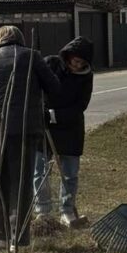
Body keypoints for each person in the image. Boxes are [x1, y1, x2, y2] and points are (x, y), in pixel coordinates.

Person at [0, 25, 61, 249]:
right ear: (20, 40)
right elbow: (55, 88)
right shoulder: (32, 56)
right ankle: (19, 239)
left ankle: (0, 237)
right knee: (20, 184)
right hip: (21, 127)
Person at [33, 37, 94, 229]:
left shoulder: (86, 76)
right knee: (40, 171)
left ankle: (67, 211)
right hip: (44, 126)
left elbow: (81, 105)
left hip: (70, 128)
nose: (77, 66)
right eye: (75, 61)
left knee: (70, 174)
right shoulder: (50, 63)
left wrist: (54, 115)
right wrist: (41, 112)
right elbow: (34, 87)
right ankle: (43, 211)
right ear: (68, 56)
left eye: (81, 63)